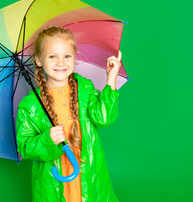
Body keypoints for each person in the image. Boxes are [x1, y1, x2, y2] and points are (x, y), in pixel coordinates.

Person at [16, 26, 122, 202]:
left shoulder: (85, 88)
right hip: (54, 179)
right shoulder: (30, 106)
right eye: (52, 56)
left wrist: (111, 79)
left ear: (74, 58)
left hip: (88, 174)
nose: (60, 62)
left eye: (67, 56)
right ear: (39, 60)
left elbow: (104, 118)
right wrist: (47, 140)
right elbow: (25, 147)